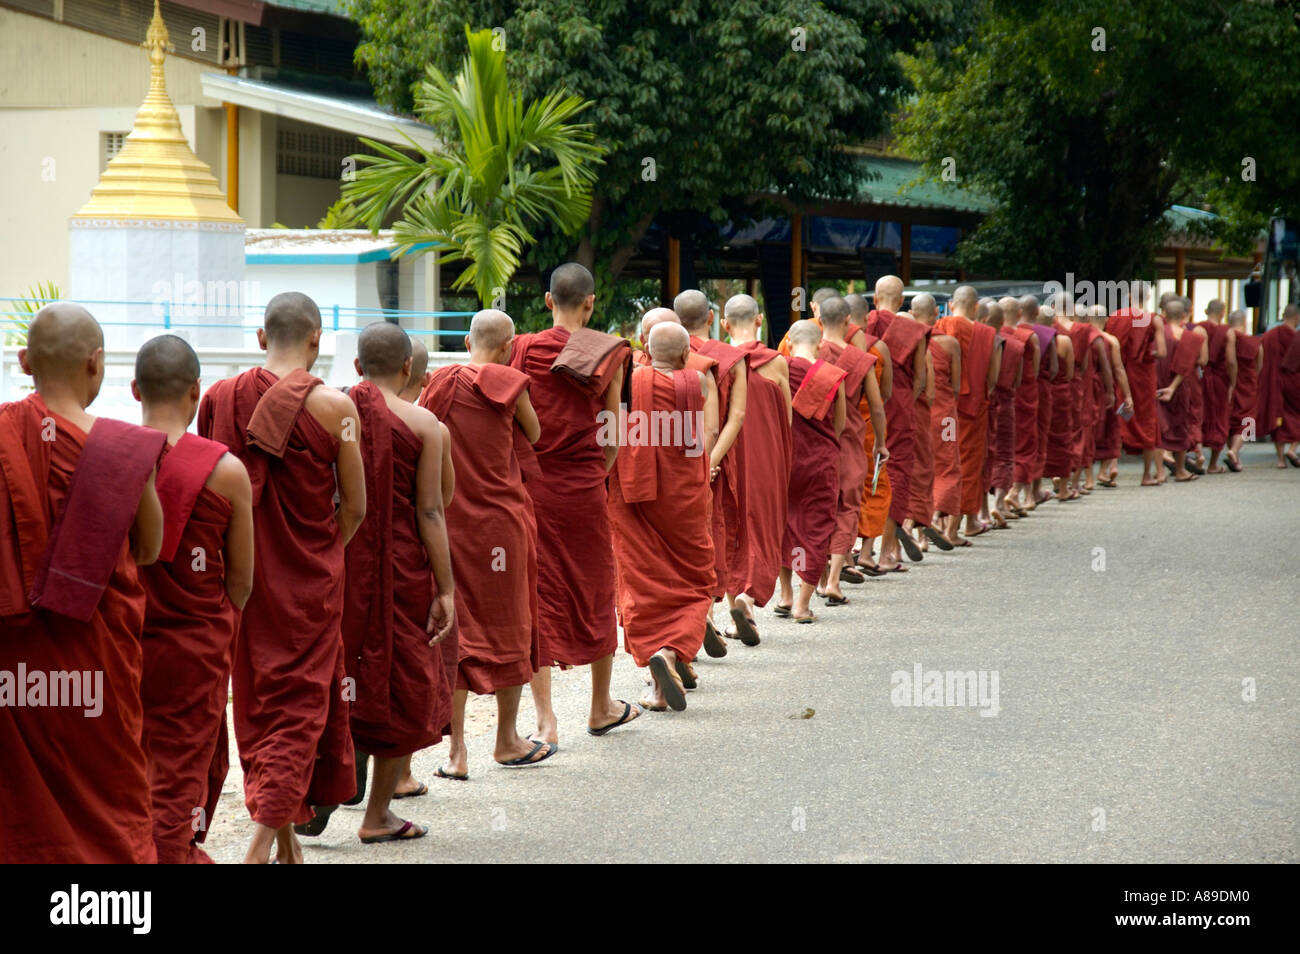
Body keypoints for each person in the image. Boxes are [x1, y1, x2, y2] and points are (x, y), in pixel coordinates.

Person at [198, 291, 364, 864]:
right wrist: (320, 553)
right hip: (310, 583)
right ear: (317, 339)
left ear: (263, 338)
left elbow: (206, 485)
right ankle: (260, 847)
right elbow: (356, 508)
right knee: (298, 708)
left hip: (240, 580)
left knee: (258, 699)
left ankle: (288, 843)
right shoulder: (338, 409)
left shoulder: (220, 397)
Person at [0, 303, 165, 864]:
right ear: (96, 363)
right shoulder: (122, 449)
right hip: (96, 660)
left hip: (14, 661)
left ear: (24, 362)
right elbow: (149, 548)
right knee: (107, 783)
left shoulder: (4, 435)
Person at [133, 334, 253, 864]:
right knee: (177, 778)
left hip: (120, 646)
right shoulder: (225, 471)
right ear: (196, 390)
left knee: (128, 770)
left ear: (134, 389)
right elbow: (243, 583)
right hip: (194, 650)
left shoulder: (105, 456)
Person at [336, 322, 457, 846]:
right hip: (404, 567)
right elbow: (434, 507)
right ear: (409, 368)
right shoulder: (427, 425)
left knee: (338, 670)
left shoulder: (329, 413)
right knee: (406, 677)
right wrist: (446, 588)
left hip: (338, 564)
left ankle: (322, 789)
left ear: (358, 368)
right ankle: (378, 814)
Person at [509, 263, 641, 740]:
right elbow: (611, 433)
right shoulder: (609, 353)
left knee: (537, 593)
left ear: (548, 302)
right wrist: (594, 474)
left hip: (533, 487)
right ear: (591, 302)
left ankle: (545, 719)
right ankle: (601, 706)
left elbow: (508, 420)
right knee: (596, 586)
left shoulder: (519, 348)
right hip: (583, 487)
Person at [422, 310, 553, 776]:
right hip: (501, 523)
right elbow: (535, 435)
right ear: (509, 345)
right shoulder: (508, 382)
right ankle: (506, 740)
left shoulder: (437, 383)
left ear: (466, 340)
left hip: (452, 522)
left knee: (461, 631)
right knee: (513, 624)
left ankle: (456, 753)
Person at [609, 322, 719, 711]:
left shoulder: (628, 381)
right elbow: (703, 439)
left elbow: (610, 431)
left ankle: (657, 666)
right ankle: (671, 653)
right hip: (683, 500)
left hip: (636, 496)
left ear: (645, 348)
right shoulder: (699, 382)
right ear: (687, 356)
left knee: (642, 579)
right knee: (693, 580)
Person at [675, 289, 749, 655]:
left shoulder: (664, 351)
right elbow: (733, 418)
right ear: (710, 319)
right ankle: (705, 613)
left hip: (672, 463)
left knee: (679, 539)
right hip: (712, 462)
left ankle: (686, 620)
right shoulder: (732, 358)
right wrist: (712, 462)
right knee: (712, 533)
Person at [721, 294, 792, 644]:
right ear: (760, 320)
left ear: (724, 324)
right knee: (763, 528)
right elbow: (788, 419)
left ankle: (733, 611)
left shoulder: (715, 362)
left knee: (731, 528)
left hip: (727, 458)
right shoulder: (777, 362)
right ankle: (748, 598)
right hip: (767, 460)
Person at [816, 296, 887, 604]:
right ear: (848, 322)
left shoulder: (806, 353)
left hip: (814, 440)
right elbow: (877, 406)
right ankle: (833, 580)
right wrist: (881, 444)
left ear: (819, 321)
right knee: (847, 507)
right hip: (850, 440)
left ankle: (815, 580)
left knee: (817, 507)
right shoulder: (861, 359)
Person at [777, 320, 847, 621]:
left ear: (789, 342)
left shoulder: (779, 369)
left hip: (786, 460)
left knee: (784, 523)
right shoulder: (831, 376)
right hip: (821, 461)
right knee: (815, 528)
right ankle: (802, 605)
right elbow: (840, 424)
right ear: (820, 345)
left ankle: (785, 595)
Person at [864, 275, 928, 567]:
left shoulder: (865, 322)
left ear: (875, 300)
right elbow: (920, 379)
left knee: (865, 471)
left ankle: (860, 549)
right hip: (900, 407)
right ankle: (888, 551)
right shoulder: (914, 329)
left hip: (867, 403)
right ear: (903, 302)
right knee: (898, 474)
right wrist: (903, 402)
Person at [935, 285, 999, 536]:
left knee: (942, 462)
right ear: (976, 307)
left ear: (950, 305)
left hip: (944, 407)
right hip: (974, 409)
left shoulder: (939, 327)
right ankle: (964, 524)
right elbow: (992, 379)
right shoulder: (987, 333)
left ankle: (937, 517)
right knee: (970, 464)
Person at [1107, 283, 1166, 486]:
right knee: (1147, 421)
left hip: (1122, 372)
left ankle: (1112, 466)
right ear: (1148, 296)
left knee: (1123, 414)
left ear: (1130, 296)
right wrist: (1145, 354)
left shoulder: (1116, 317)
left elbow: (1110, 344)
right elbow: (1162, 352)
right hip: (1144, 376)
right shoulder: (1153, 319)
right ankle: (1147, 475)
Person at [1155, 298, 1207, 482]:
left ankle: (1160, 471)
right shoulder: (1190, 337)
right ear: (1184, 315)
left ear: (1164, 315)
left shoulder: (1158, 335)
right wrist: (1172, 387)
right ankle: (1180, 470)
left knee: (1159, 429)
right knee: (1181, 427)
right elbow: (1199, 362)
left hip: (1157, 385)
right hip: (1180, 387)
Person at [1087, 304, 1132, 487]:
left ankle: (1088, 477)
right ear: (1106, 320)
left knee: (1088, 430)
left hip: (1087, 388)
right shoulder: (1111, 340)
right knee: (1109, 429)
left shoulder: (1082, 337)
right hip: (1105, 388)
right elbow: (1118, 369)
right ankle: (1103, 472)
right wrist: (1127, 396)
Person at [987, 299, 1023, 527]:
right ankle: (999, 504)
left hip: (982, 403)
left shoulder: (977, 341)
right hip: (1006, 401)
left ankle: (979, 511)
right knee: (1005, 453)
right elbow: (1018, 380)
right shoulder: (1017, 345)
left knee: (981, 455)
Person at [1005, 295, 1043, 513]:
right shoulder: (1029, 337)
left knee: (1011, 444)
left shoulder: (998, 335)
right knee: (1027, 444)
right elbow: (1035, 371)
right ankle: (1016, 493)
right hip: (1027, 393)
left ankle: (1025, 494)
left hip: (1007, 394)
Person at [1255, 302, 1300, 468]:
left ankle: (1281, 460)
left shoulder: (1269, 335)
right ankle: (1293, 449)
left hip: (1273, 383)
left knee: (1278, 418)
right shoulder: (1297, 337)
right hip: (1294, 383)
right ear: (1297, 317)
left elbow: (1260, 358)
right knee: (1296, 417)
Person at [1197, 300, 1232, 473]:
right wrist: (1232, 383)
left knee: (1199, 416)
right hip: (1219, 380)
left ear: (1205, 310)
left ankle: (1197, 458)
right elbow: (1232, 362)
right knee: (1219, 419)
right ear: (1223, 312)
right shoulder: (1227, 332)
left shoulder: (1198, 328)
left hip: (1200, 378)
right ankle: (1213, 464)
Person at [1226, 309, 1262, 471]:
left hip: (1227, 383)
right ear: (1245, 321)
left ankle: (1234, 455)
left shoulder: (1225, 338)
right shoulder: (1254, 342)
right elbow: (1258, 366)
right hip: (1247, 384)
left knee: (1229, 418)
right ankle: (1234, 451)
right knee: (1248, 419)